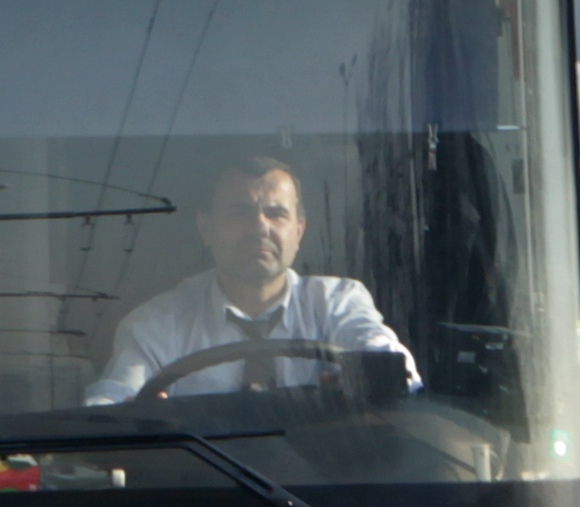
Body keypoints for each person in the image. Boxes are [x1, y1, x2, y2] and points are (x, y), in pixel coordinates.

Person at [84, 155, 416, 405]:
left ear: (299, 231)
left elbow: (393, 368)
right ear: (206, 228)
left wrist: (371, 377)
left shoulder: (337, 303)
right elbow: (109, 408)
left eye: (276, 213)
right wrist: (133, 415)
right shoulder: (156, 325)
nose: (259, 227)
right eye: (240, 212)